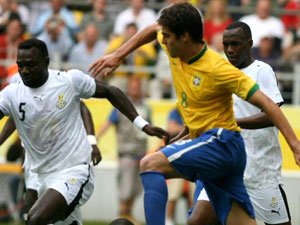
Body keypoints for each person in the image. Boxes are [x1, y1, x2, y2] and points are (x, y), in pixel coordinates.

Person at [89, 3, 300, 225]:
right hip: (223, 152)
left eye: (168, 36)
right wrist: (118, 54)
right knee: (202, 220)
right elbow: (154, 29)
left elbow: (269, 104)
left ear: (185, 37)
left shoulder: (221, 69)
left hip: (226, 147)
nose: (163, 40)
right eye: (226, 44)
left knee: (149, 164)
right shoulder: (175, 48)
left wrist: (295, 146)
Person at [0, 38, 167, 225]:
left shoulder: (69, 81)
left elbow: (110, 92)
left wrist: (142, 124)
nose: (24, 70)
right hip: (41, 174)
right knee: (36, 218)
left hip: (74, 170)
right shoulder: (12, 93)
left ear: (46, 61)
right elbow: (13, 118)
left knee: (35, 218)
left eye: (30, 65)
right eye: (20, 65)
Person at [188, 21, 292, 225]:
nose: (229, 50)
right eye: (226, 44)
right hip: (225, 166)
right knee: (198, 220)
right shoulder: (221, 72)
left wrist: (233, 122)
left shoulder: (262, 70)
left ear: (249, 44)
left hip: (259, 170)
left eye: (235, 44)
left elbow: (272, 115)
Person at [0, 102, 102, 223]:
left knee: (36, 214)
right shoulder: (18, 93)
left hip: (67, 166)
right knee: (55, 216)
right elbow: (13, 117)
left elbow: (83, 107)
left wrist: (92, 142)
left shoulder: (61, 87)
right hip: (39, 163)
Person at [97, 76, 151, 224]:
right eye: (133, 86)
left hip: (141, 153)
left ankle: (130, 215)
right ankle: (122, 215)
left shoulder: (146, 107)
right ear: (129, 88)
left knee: (136, 188)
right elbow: (108, 123)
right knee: (125, 187)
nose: (136, 89)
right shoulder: (120, 107)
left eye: (138, 86)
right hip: (126, 153)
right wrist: (96, 138)